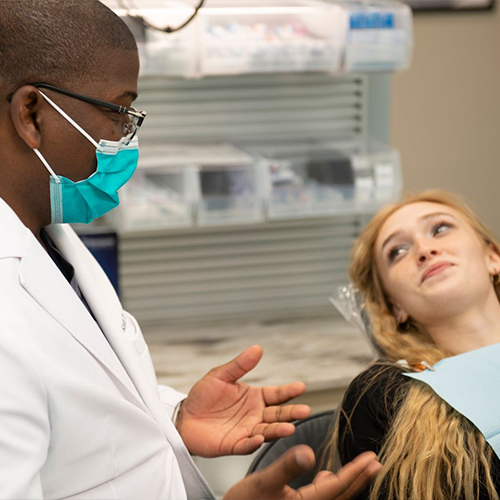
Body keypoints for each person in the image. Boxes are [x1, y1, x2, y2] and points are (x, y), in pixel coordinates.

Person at [0, 1, 381, 498]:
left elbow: (79, 414)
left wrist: (175, 415)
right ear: (31, 113)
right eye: (118, 112)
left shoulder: (49, 240)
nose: (125, 139)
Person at [323, 189, 500, 499]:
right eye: (397, 251)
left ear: (492, 258)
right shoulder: (386, 394)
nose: (424, 249)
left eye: (440, 228)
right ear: (395, 307)